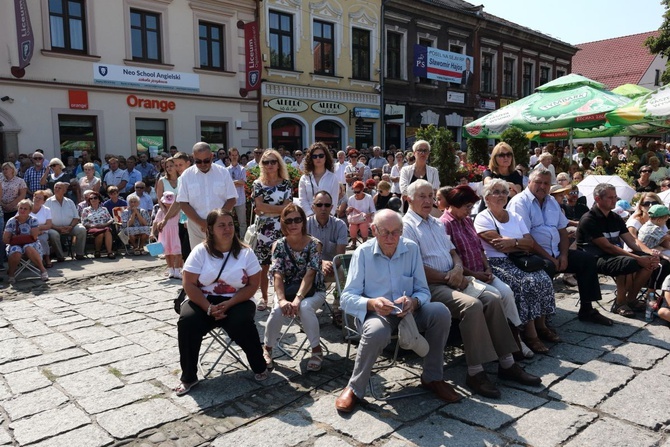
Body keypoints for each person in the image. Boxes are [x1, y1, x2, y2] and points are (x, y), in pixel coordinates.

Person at [404, 180, 541, 398]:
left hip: (454, 278)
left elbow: (453, 252)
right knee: (473, 305)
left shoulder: (436, 223)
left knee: (493, 298)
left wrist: (458, 269)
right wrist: (449, 277)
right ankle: (475, 372)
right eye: (422, 196)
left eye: (431, 195)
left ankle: (507, 363)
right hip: (430, 285)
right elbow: (415, 267)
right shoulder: (407, 226)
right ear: (408, 199)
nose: (428, 200)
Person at [336, 209, 459, 412]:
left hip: (408, 312)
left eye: (396, 232)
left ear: (402, 231)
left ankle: (433, 377)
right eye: (385, 232)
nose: (391, 237)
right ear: (374, 230)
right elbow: (347, 298)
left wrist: (414, 301)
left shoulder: (410, 249)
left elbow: (423, 290)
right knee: (375, 331)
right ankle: (355, 387)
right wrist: (373, 303)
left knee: (440, 312)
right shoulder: (363, 253)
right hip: (376, 313)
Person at [175, 209, 269, 396]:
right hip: (203, 299)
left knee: (241, 321)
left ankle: (259, 365)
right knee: (187, 323)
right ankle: (189, 376)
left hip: (238, 299)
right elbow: (189, 284)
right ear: (210, 229)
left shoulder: (246, 253)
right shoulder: (200, 252)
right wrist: (208, 308)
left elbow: (252, 285)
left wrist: (230, 303)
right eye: (221, 225)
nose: (227, 229)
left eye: (230, 224)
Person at [507, 168, 613, 326]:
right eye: (538, 182)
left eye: (546, 183)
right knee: (548, 266)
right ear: (529, 182)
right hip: (530, 254)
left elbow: (562, 231)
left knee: (587, 260)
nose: (542, 186)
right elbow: (526, 239)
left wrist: (564, 255)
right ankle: (541, 319)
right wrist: (551, 258)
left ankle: (587, 310)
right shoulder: (520, 203)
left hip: (555, 252)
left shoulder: (551, 201)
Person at [438, 185, 531, 359]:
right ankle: (510, 346)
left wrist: (487, 268)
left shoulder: (465, 220)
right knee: (495, 295)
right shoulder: (444, 224)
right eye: (467, 206)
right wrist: (475, 274)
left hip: (482, 272)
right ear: (456, 204)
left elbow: (479, 248)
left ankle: (516, 337)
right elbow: (451, 258)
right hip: (466, 277)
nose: (470, 210)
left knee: (507, 293)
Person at [576, 183, 659, 318]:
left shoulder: (615, 218)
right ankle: (619, 303)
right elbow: (607, 247)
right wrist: (639, 259)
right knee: (626, 262)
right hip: (593, 258)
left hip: (613, 255)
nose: (614, 200)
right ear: (598, 199)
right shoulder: (589, 219)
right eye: (610, 198)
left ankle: (631, 299)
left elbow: (631, 241)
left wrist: (648, 254)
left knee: (649, 261)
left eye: (615, 197)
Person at [263, 204, 327, 372]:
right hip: (287, 290)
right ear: (283, 223)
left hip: (313, 290)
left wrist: (298, 298)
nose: (293, 224)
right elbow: (277, 274)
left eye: (297, 220)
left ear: (303, 221)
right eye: (289, 220)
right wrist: (283, 299)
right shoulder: (278, 245)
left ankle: (316, 350)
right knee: (277, 309)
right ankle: (267, 349)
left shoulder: (315, 244)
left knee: (305, 307)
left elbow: (311, 273)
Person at [175, 142, 238, 248]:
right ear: (193, 157)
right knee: (200, 261)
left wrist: (216, 221)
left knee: (221, 258)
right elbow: (183, 203)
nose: (203, 164)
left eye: (206, 161)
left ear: (212, 156)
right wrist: (202, 223)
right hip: (196, 226)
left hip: (220, 225)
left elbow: (232, 199)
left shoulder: (223, 172)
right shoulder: (186, 175)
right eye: (198, 161)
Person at [252, 149, 293, 311]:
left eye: (272, 161)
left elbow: (289, 208)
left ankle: (281, 296)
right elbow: (258, 206)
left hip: (282, 228)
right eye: (265, 162)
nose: (269, 165)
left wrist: (267, 210)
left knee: (282, 264)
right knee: (263, 265)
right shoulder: (258, 183)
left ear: (278, 164)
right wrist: (279, 208)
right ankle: (263, 297)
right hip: (263, 230)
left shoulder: (285, 183)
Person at [307, 190, 348, 326]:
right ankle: (307, 308)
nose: (323, 208)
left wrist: (329, 265)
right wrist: (320, 263)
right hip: (311, 266)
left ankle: (338, 309)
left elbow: (340, 255)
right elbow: (303, 255)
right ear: (313, 207)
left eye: (327, 205)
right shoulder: (305, 225)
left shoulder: (340, 225)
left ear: (332, 207)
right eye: (319, 205)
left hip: (333, 266)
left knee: (344, 271)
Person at [4, 199, 49, 284]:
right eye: (21, 208)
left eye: (25, 209)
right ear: (18, 209)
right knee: (16, 251)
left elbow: (35, 236)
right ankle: (11, 274)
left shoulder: (33, 220)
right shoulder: (12, 221)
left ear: (30, 210)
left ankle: (42, 270)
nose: (22, 210)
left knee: (28, 247)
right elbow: (5, 239)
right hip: (15, 244)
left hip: (31, 243)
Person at [44, 182, 87, 262]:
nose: (56, 189)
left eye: (59, 188)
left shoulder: (70, 202)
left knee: (81, 229)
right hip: (54, 228)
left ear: (64, 190)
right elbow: (46, 219)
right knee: (53, 234)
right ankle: (60, 256)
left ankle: (79, 254)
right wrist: (57, 228)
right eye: (55, 188)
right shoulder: (48, 202)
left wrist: (70, 226)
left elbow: (76, 217)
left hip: (70, 227)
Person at [297, 142, 339, 217]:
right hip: (308, 219)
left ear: (326, 157)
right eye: (314, 156)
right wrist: (310, 215)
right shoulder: (304, 178)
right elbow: (302, 200)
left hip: (328, 219)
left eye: (321, 156)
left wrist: (327, 218)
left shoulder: (333, 178)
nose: (318, 158)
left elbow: (334, 201)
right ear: (311, 158)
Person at [399, 140, 440, 213]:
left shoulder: (434, 171)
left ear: (428, 154)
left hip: (427, 210)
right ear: (414, 153)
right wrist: (425, 195)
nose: (423, 153)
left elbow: (434, 191)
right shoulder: (405, 170)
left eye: (425, 150)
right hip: (409, 209)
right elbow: (403, 190)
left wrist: (416, 196)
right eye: (420, 150)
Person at [152, 191, 182, 279]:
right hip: (165, 233)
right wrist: (152, 232)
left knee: (178, 252)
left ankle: (177, 270)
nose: (168, 205)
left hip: (176, 233)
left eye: (170, 203)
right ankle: (171, 270)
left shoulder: (178, 211)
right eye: (166, 203)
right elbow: (155, 221)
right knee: (167, 253)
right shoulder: (161, 211)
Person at [81, 192, 115, 259]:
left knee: (107, 231)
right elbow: (83, 222)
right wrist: (93, 226)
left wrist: (105, 224)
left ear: (99, 199)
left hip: (104, 226)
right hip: (93, 227)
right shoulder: (86, 210)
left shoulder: (104, 209)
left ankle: (109, 252)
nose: (93, 199)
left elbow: (110, 219)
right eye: (91, 198)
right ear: (89, 201)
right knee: (100, 233)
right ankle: (97, 251)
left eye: (95, 198)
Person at [346, 181, 375, 250]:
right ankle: (353, 244)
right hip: (355, 218)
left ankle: (364, 244)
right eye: (354, 192)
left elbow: (373, 210)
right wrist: (348, 210)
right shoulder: (351, 199)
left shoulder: (368, 197)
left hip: (366, 218)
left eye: (358, 192)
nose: (356, 194)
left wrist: (367, 215)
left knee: (363, 226)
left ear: (362, 190)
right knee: (352, 226)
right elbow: (348, 212)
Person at [226, 148, 248, 238]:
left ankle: (243, 239)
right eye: (232, 155)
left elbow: (243, 182)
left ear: (238, 156)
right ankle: (231, 239)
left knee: (242, 222)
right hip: (229, 199)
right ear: (230, 156)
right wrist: (237, 182)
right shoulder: (226, 170)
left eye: (236, 155)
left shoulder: (242, 169)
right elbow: (226, 184)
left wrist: (232, 183)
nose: (234, 157)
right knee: (228, 221)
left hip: (240, 199)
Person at [30, 189, 53, 268]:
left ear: (43, 201)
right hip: (29, 232)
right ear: (33, 198)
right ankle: (37, 260)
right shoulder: (26, 207)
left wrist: (38, 229)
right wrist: (34, 230)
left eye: (40, 198)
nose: (37, 199)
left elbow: (49, 225)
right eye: (36, 197)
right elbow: (18, 220)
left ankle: (46, 258)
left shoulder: (46, 210)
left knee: (42, 239)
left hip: (42, 232)